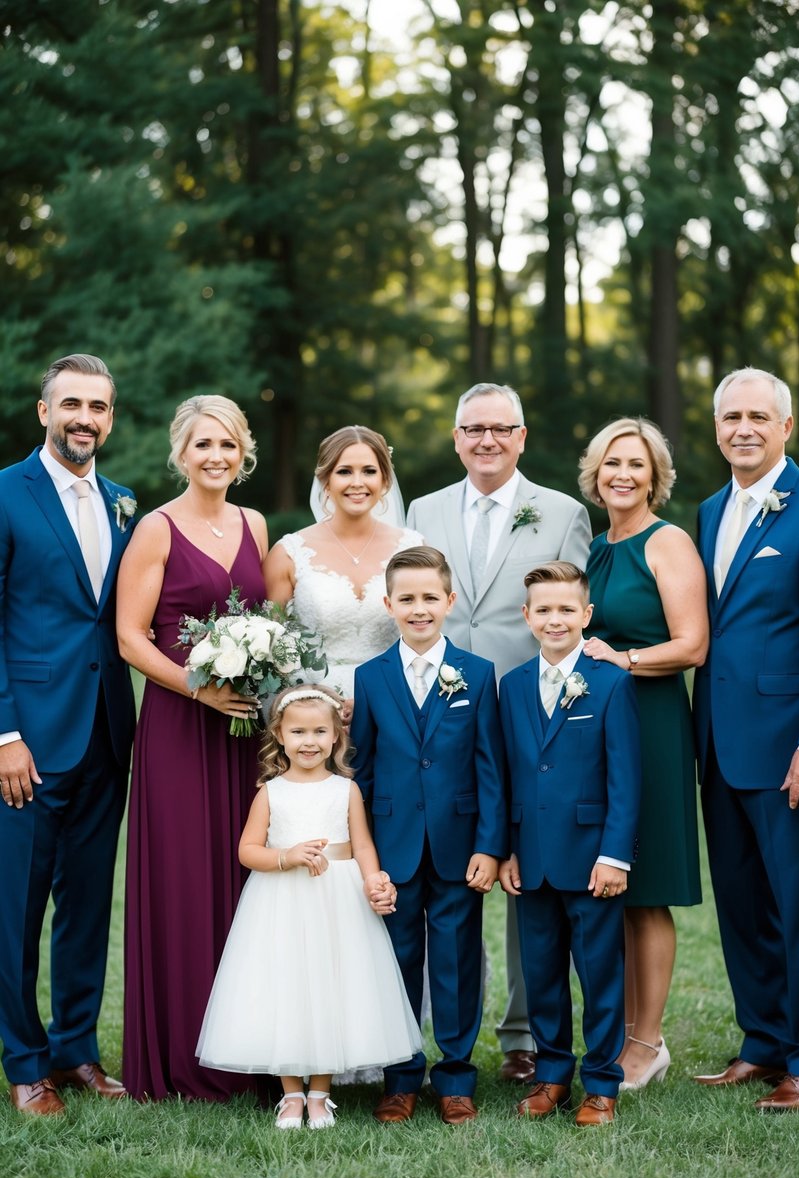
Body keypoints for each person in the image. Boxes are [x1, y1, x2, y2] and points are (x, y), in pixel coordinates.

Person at [407, 383, 591, 1084]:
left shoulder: (564, 511)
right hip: (441, 720)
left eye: (499, 428)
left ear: (520, 436)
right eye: (472, 428)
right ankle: (423, 1029)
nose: (485, 440)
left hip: (530, 719)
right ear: (456, 438)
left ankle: (522, 1035)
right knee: (439, 868)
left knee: (526, 873)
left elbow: (568, 610)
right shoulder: (421, 510)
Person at [117, 394, 269, 1101]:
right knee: (183, 881)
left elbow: (261, 619)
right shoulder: (155, 528)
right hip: (181, 727)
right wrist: (198, 689)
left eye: (227, 446)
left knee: (242, 881)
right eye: (203, 445)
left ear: (243, 454)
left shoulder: (255, 524)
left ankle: (249, 1049)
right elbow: (129, 637)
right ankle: (181, 1056)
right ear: (181, 453)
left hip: (242, 731)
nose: (215, 457)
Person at [0, 353, 136, 1116]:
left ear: (111, 418)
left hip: (106, 737)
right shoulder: (5, 494)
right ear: (44, 410)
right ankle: (25, 1063)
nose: (86, 417)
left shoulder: (122, 502)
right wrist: (4, 734)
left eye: (99, 406)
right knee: (15, 909)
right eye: (72, 404)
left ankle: (75, 1048)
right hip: (26, 743)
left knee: (86, 904)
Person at [693, 367, 799, 1112]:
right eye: (729, 416)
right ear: (715, 428)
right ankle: (763, 1040)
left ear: (785, 426)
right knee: (742, 902)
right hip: (719, 743)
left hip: (789, 750)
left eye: (756, 415)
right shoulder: (710, 510)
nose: (741, 428)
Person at [197, 685, 422, 1129]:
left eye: (320, 731)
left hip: (338, 902)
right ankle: (291, 1095)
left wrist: (374, 880)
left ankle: (320, 1093)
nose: (309, 741)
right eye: (298, 731)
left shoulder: (347, 790)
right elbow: (247, 850)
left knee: (331, 988)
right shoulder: (270, 792)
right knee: (288, 990)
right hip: (281, 901)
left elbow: (362, 846)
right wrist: (287, 856)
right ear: (279, 735)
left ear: (337, 736)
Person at [351, 546, 508, 1125]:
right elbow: (361, 774)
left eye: (429, 598)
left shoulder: (476, 672)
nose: (419, 610)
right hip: (393, 846)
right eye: (407, 599)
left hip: (459, 846)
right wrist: (365, 856)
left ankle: (457, 1077)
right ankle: (399, 1077)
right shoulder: (370, 679)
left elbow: (491, 768)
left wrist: (490, 846)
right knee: (396, 960)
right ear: (388, 604)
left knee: (457, 961)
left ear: (450, 601)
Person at [578, 417, 707, 1090]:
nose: (621, 474)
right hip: (601, 732)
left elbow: (690, 645)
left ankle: (647, 1041)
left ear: (655, 475)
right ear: (594, 475)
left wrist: (621, 658)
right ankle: (622, 1033)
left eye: (634, 463)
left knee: (646, 886)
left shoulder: (667, 542)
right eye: (609, 464)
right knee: (615, 887)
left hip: (652, 724)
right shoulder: (597, 548)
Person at [498, 563, 641, 1126]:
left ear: (586, 615)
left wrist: (615, 855)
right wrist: (506, 848)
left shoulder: (611, 682)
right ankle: (553, 1073)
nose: (554, 619)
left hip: (591, 859)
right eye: (543, 610)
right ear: (526, 616)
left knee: (600, 972)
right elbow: (505, 774)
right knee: (541, 973)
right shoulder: (509, 687)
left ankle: (602, 1082)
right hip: (530, 859)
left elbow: (626, 777)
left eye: (566, 610)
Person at [264, 425, 422, 710]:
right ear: (325, 480)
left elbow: (427, 636)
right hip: (311, 713)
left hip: (394, 707)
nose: (357, 482)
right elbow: (270, 649)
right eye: (344, 471)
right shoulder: (288, 553)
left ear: (385, 479)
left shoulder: (413, 549)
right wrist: (314, 700)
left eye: (369, 471)